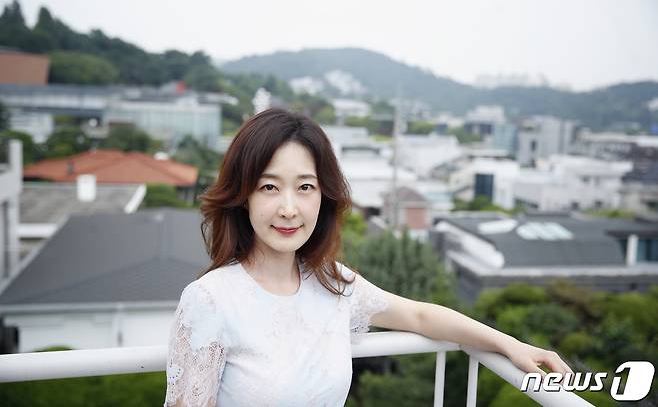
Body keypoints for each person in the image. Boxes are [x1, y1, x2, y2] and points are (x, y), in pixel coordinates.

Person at [164, 108, 573, 406]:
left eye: (305, 187)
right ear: (242, 196)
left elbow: (419, 316)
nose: (289, 208)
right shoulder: (210, 300)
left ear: (323, 197)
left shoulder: (331, 283)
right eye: (269, 187)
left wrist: (511, 345)